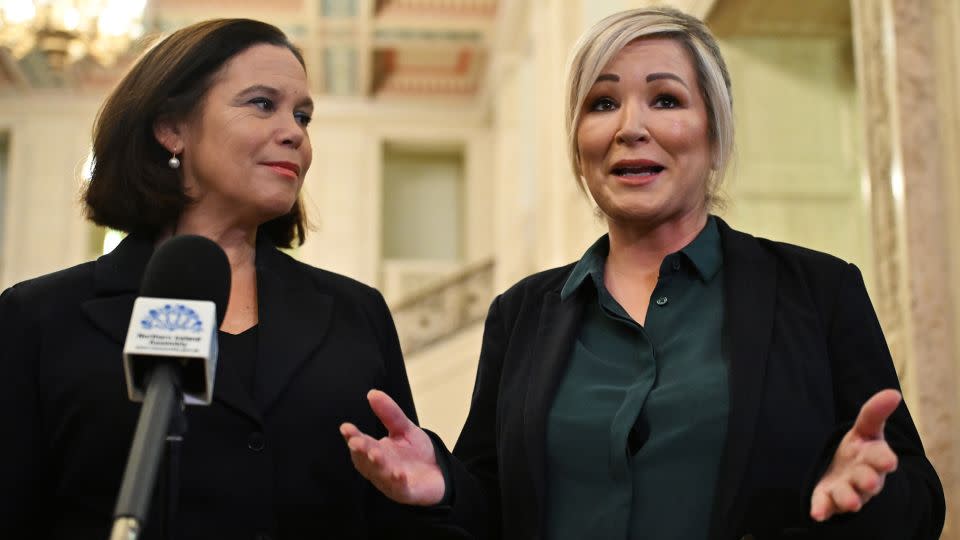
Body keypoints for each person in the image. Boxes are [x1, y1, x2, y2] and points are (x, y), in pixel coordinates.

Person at [340, 7, 945, 540]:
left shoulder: (819, 291)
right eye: (603, 103)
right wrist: (442, 487)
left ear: (713, 134)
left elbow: (919, 499)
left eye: (666, 99)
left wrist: (870, 495)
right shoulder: (521, 313)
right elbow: (494, 506)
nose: (630, 126)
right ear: (580, 144)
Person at [0, 19, 418, 539]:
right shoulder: (39, 317)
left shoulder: (357, 313)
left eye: (303, 116)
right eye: (262, 104)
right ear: (171, 127)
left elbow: (405, 508)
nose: (295, 133)